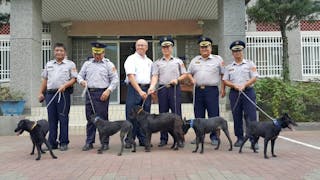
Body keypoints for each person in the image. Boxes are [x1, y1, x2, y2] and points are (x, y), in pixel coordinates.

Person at [77, 42, 119, 151]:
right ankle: (89, 142)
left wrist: (108, 91)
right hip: (90, 93)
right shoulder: (87, 64)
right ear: (92, 52)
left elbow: (115, 79)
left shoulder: (108, 64)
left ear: (103, 53)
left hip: (102, 94)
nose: (97, 56)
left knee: (103, 120)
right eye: (95, 53)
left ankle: (105, 143)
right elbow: (79, 76)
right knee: (90, 118)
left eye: (99, 53)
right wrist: (82, 81)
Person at [148, 36, 188, 147]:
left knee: (176, 114)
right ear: (161, 49)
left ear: (172, 47)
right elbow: (155, 76)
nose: (166, 49)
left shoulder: (178, 61)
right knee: (162, 115)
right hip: (163, 89)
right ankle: (163, 139)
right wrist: (152, 87)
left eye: (168, 47)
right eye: (164, 47)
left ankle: (180, 139)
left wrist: (177, 79)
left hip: (175, 89)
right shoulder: (157, 63)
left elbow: (185, 75)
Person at [38, 43, 77, 151]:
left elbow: (74, 79)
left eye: (61, 50)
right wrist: (40, 93)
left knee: (63, 118)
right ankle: (52, 143)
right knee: (52, 119)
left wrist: (65, 85)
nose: (59, 52)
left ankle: (63, 142)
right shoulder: (49, 64)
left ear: (65, 52)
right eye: (57, 50)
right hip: (50, 94)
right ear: (54, 52)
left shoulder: (70, 64)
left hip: (63, 94)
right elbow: (45, 80)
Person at [187, 37, 225, 145]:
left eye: (206, 46)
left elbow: (223, 75)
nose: (204, 49)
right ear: (200, 48)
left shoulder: (218, 59)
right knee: (198, 115)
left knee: (213, 114)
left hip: (212, 90)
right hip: (198, 90)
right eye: (202, 47)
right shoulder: (195, 60)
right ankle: (199, 137)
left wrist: (223, 88)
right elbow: (188, 72)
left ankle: (215, 137)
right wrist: (191, 79)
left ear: (210, 47)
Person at [223, 40, 259, 150]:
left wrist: (245, 84)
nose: (237, 53)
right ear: (232, 53)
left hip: (248, 92)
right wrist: (234, 85)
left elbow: (254, 77)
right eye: (235, 51)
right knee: (236, 116)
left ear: (242, 51)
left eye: (239, 50)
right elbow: (225, 80)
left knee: (251, 117)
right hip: (235, 93)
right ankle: (239, 138)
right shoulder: (229, 67)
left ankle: (254, 140)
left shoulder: (249, 64)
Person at [124, 39, 153, 148]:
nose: (140, 47)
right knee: (131, 116)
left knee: (145, 116)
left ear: (147, 47)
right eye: (138, 45)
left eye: (143, 45)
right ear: (136, 47)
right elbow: (131, 76)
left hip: (146, 89)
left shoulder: (149, 61)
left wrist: (151, 88)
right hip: (134, 89)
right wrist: (140, 91)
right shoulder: (131, 59)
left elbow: (152, 76)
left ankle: (143, 139)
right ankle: (130, 139)